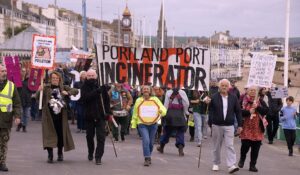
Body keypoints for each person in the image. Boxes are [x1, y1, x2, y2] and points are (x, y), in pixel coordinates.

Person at [38, 71, 78, 163]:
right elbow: (37, 98)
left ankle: (60, 153)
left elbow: (75, 90)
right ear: (50, 79)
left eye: (57, 78)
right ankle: (50, 155)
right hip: (49, 117)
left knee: (60, 135)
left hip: (61, 117)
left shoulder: (63, 87)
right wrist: (39, 90)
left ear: (59, 79)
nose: (55, 80)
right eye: (53, 78)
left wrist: (67, 92)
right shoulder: (46, 88)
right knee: (48, 136)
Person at [208, 79, 242, 174]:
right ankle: (215, 163)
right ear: (219, 86)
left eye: (226, 85)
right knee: (217, 145)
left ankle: (231, 165)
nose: (224, 87)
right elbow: (209, 110)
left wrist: (240, 125)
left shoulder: (234, 97)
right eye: (222, 85)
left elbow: (238, 111)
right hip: (217, 124)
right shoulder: (214, 97)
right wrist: (210, 122)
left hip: (229, 125)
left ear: (229, 87)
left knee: (230, 145)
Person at [81, 69, 112, 165]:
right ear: (86, 77)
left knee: (101, 137)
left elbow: (106, 101)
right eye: (89, 75)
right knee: (89, 136)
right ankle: (90, 152)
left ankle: (98, 157)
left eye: (93, 75)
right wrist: (98, 91)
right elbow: (85, 98)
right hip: (89, 116)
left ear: (96, 76)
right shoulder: (84, 87)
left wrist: (108, 113)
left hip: (100, 116)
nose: (91, 77)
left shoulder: (101, 86)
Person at [131, 85, 166, 166]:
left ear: (150, 91)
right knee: (146, 140)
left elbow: (163, 109)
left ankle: (148, 155)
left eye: (147, 89)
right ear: (142, 91)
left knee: (150, 143)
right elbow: (135, 113)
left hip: (153, 124)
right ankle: (147, 158)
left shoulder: (155, 99)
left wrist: (161, 111)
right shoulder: (138, 100)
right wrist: (133, 124)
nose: (146, 90)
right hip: (142, 124)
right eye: (144, 89)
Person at [238, 86, 269, 172]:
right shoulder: (242, 101)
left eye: (254, 90)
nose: (252, 92)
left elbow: (266, 111)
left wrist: (258, 107)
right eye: (251, 90)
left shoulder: (261, 101)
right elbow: (238, 112)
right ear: (247, 91)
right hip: (246, 128)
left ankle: (252, 165)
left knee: (256, 149)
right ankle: (242, 159)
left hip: (257, 129)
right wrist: (249, 112)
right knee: (245, 146)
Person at [0, 64, 21, 171]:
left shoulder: (11, 86)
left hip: (5, 119)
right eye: (2, 71)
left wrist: (17, 116)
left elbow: (17, 103)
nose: (4, 73)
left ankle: (2, 163)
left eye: (5, 71)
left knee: (4, 142)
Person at [157, 88, 190, 156]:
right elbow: (186, 104)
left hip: (170, 115)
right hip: (180, 115)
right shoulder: (182, 92)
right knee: (180, 131)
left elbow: (166, 105)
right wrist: (186, 112)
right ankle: (180, 149)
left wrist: (163, 114)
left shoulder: (168, 92)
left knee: (166, 131)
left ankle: (161, 147)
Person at [17, 68, 33, 132]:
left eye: (24, 71)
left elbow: (32, 89)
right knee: (20, 114)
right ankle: (19, 124)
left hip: (27, 100)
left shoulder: (29, 81)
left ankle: (24, 126)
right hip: (19, 100)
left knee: (26, 115)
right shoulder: (17, 80)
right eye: (22, 71)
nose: (23, 72)